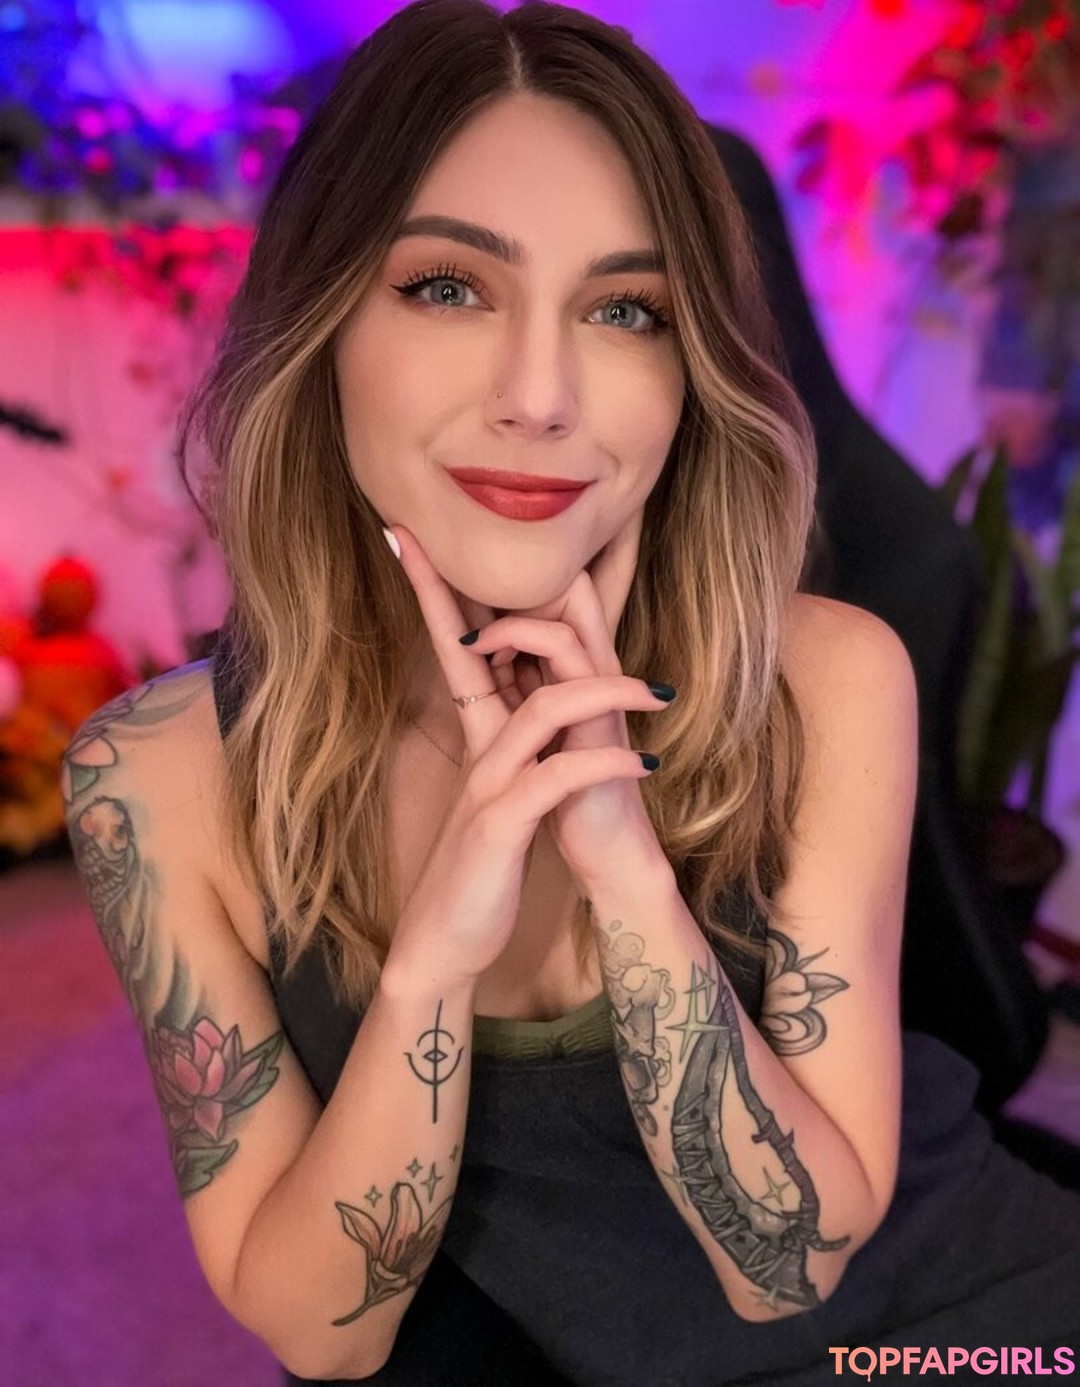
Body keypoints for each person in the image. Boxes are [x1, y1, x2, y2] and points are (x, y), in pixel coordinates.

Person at [62, 2, 1080, 1383]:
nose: (541, 396)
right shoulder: (156, 776)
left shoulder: (825, 678)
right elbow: (323, 1334)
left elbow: (788, 1265)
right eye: (447, 286)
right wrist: (431, 965)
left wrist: (630, 882)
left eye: (625, 310)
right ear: (321, 320)